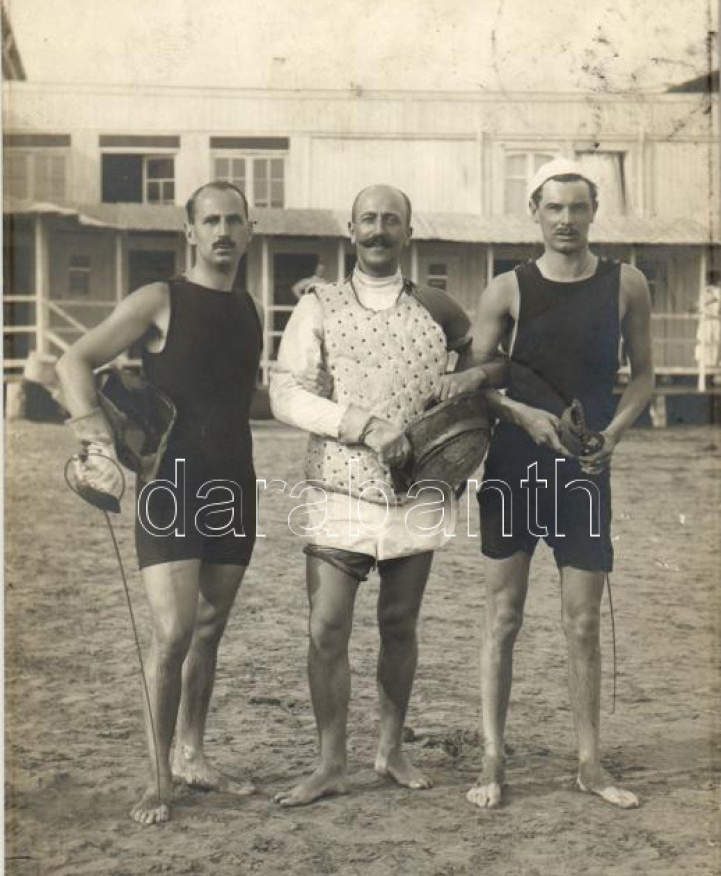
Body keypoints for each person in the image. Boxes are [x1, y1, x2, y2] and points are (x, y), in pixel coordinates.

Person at [270, 183, 502, 807]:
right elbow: (285, 394)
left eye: (390, 220)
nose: (378, 230)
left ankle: (391, 749)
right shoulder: (317, 305)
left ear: (408, 235)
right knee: (326, 629)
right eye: (367, 220)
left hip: (419, 493)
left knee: (399, 623)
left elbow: (487, 370)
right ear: (350, 232)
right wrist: (362, 425)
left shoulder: (441, 309)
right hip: (338, 488)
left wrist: (468, 392)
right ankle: (328, 763)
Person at [451, 157, 654, 810]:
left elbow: (644, 376)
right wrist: (521, 414)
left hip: (584, 469)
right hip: (513, 465)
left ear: (593, 211)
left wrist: (615, 433)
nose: (565, 219)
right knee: (503, 616)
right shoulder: (506, 287)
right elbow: (476, 382)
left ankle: (590, 762)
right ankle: (490, 758)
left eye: (577, 207)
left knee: (582, 623)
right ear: (533, 213)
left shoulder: (626, 284)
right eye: (553, 207)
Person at [57, 181, 262, 825]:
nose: (223, 231)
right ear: (191, 232)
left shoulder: (250, 307)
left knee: (209, 629)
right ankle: (157, 778)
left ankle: (193, 754)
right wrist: (94, 436)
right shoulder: (160, 299)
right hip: (170, 484)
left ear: (248, 231)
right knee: (172, 633)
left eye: (234, 221)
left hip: (234, 485)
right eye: (211, 221)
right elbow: (74, 360)